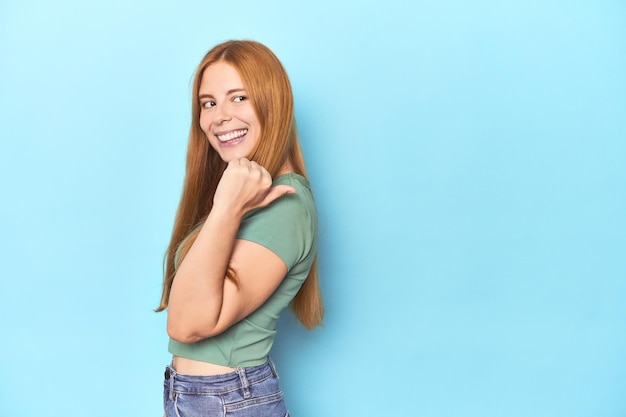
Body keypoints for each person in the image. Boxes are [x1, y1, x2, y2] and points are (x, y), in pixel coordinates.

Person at [156, 40, 323, 416]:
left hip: (228, 399)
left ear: (272, 102)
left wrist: (226, 207)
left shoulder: (285, 203)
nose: (219, 117)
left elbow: (187, 325)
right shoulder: (248, 193)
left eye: (239, 98)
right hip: (208, 396)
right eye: (209, 103)